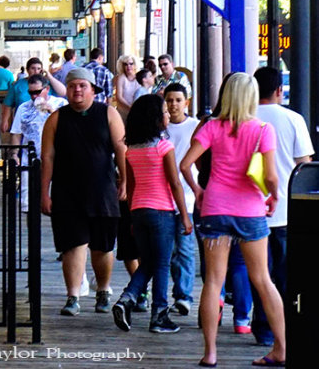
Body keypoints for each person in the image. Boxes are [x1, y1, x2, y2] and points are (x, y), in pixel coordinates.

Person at [180, 72, 286, 368]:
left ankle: (210, 353)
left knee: (213, 281)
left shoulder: (212, 127)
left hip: (215, 209)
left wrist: (198, 190)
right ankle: (281, 348)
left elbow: (185, 163)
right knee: (263, 280)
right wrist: (273, 196)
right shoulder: (264, 129)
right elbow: (270, 176)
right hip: (250, 211)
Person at [41, 67, 126, 317]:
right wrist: (44, 192)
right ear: (66, 90)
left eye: (82, 86)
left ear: (92, 89)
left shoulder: (108, 113)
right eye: (72, 86)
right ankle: (73, 295)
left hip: (102, 189)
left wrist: (125, 182)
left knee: (102, 247)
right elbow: (47, 156)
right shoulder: (57, 118)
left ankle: (103, 289)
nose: (77, 90)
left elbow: (121, 149)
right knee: (72, 245)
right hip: (67, 190)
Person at [111, 95, 192, 335]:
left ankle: (127, 298)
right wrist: (185, 216)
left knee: (148, 261)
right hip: (162, 212)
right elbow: (175, 183)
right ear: (156, 119)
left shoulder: (131, 150)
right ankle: (159, 314)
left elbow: (133, 185)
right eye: (165, 112)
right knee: (162, 264)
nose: (168, 115)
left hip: (139, 211)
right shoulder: (163, 147)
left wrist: (134, 217)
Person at [250, 66, 313, 349]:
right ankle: (286, 331)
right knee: (286, 276)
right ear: (279, 90)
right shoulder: (293, 119)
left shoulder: (246, 119)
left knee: (260, 274)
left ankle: (262, 328)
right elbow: (305, 164)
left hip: (250, 208)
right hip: (287, 210)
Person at [164, 83, 199, 316]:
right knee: (164, 251)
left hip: (187, 196)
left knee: (184, 249)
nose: (174, 104)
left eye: (178, 100)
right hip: (162, 197)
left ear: (186, 102)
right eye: (169, 100)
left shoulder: (196, 127)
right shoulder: (160, 129)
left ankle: (183, 295)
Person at [10, 74, 66, 211]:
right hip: (30, 157)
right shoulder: (23, 108)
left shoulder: (61, 104)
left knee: (58, 201)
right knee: (28, 204)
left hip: (56, 158)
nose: (34, 96)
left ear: (46, 89)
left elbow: (68, 129)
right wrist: (14, 154)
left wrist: (51, 110)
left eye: (37, 92)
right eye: (31, 92)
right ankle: (31, 227)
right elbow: (17, 133)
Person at [2, 57, 66, 132]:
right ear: (28, 69)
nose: (36, 71)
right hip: (23, 121)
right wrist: (5, 120)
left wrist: (49, 76)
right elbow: (8, 104)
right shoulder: (18, 85)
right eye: (33, 68)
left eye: (39, 69)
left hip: (43, 121)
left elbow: (63, 92)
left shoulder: (46, 83)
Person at [115, 55, 140, 121]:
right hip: (122, 113)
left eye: (131, 64)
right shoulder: (121, 78)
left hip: (137, 112)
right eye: (125, 64)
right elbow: (119, 97)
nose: (128, 66)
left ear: (135, 64)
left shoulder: (139, 77)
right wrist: (130, 107)